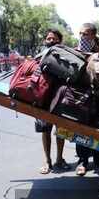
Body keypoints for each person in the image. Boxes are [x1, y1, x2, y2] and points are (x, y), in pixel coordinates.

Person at [36, 29, 70, 174]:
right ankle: (47, 161)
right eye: (48, 38)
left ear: (59, 41)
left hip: (60, 97)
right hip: (42, 98)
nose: (50, 41)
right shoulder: (40, 55)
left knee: (61, 130)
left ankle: (59, 159)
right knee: (45, 130)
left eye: (54, 39)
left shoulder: (65, 55)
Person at [75, 23, 99, 176]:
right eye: (80, 34)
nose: (82, 37)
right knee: (81, 129)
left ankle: (98, 160)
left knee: (98, 129)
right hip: (81, 97)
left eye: (85, 34)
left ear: (92, 35)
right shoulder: (76, 51)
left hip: (98, 97)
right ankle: (83, 161)